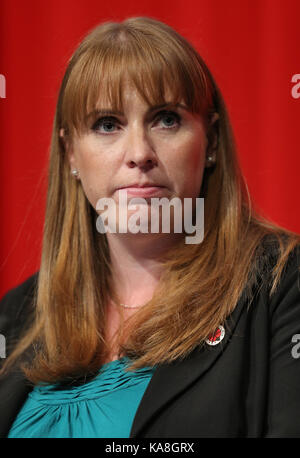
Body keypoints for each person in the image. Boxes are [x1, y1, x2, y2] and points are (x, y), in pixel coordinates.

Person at [0, 16, 300, 439]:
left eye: (166, 119)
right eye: (107, 124)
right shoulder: (14, 316)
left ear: (210, 142)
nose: (139, 153)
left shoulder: (282, 285)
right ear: (70, 154)